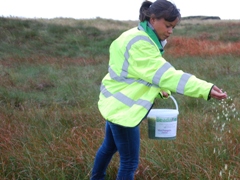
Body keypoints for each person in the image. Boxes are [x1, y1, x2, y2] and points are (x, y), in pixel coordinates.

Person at [90, 0, 227, 179]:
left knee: (109, 146)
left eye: (173, 27)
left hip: (114, 102)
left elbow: (137, 72)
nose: (170, 31)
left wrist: (160, 88)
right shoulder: (142, 44)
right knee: (129, 161)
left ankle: (96, 177)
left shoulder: (132, 35)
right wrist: (205, 89)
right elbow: (167, 75)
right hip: (124, 111)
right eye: (168, 25)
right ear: (153, 19)